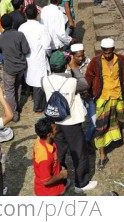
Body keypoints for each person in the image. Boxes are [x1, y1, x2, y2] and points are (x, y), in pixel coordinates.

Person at [85, 38, 124, 169]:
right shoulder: (95, 62)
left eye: (109, 52)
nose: (107, 55)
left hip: (118, 97)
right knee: (100, 127)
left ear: (113, 50)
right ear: (102, 50)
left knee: (120, 119)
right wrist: (85, 92)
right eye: (104, 52)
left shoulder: (122, 60)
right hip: (102, 98)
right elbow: (89, 77)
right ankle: (103, 154)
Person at [42, 51, 97, 193]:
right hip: (71, 122)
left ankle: (61, 181)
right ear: (65, 65)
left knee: (59, 152)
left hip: (54, 122)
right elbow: (85, 84)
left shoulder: (44, 80)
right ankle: (81, 183)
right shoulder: (72, 82)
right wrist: (74, 68)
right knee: (78, 152)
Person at [0, 13, 30, 122]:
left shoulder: (0, 38)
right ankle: (17, 106)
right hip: (21, 66)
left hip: (9, 68)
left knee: (9, 91)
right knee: (18, 85)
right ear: (12, 23)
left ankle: (13, 114)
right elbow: (26, 50)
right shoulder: (20, 35)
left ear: (1, 25)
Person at [21, 4, 52, 113]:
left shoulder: (22, 27)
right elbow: (47, 45)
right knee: (39, 83)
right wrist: (48, 54)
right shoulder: (41, 28)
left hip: (26, 58)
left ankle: (30, 96)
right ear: (37, 14)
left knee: (29, 78)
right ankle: (38, 108)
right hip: (39, 59)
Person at [33, 117, 68, 196]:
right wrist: (62, 175)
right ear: (50, 135)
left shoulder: (41, 139)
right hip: (48, 193)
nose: (57, 129)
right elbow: (46, 181)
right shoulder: (44, 157)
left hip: (54, 187)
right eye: (55, 129)